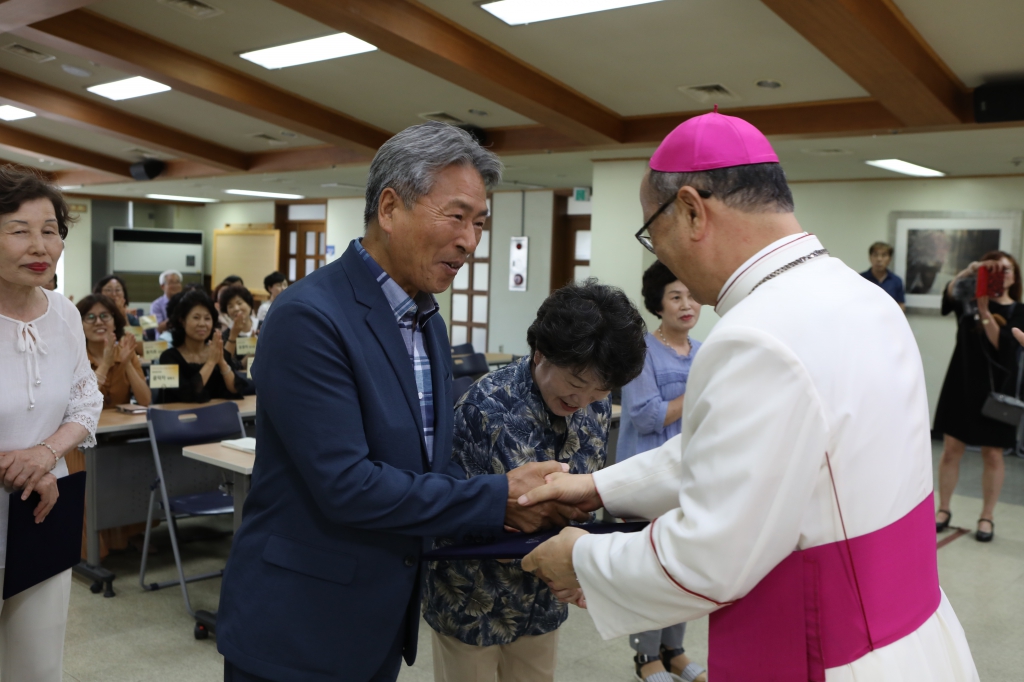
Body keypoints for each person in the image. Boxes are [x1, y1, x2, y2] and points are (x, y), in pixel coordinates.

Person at [520, 110, 978, 681]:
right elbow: (744, 456)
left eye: (652, 235)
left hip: (828, 652)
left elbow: (708, 560)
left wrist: (580, 559)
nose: (659, 257)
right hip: (905, 631)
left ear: (692, 210)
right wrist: (598, 487)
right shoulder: (862, 296)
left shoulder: (755, 335)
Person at [217, 122, 586, 682]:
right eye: (456, 216)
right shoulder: (309, 317)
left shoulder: (426, 319)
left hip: (379, 618)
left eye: (480, 223)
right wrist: (496, 498)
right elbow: (348, 484)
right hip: (299, 625)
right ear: (389, 208)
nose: (470, 241)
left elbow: (421, 467)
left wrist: (522, 501)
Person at [423, 280, 646, 682]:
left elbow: (585, 499)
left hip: (543, 599)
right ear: (541, 352)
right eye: (575, 384)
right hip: (472, 597)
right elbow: (445, 509)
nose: (583, 401)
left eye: (601, 390)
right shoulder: (483, 408)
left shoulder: (593, 409)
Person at [0, 165, 103, 681]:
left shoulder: (63, 313)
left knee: (37, 666)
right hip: (27, 490)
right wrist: (16, 468)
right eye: (19, 230)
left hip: (41, 512)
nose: (40, 246)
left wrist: (46, 454)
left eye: (51, 230)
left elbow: (86, 400)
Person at [617, 260, 705, 682]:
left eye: (692, 296)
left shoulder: (705, 352)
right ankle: (646, 655)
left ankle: (674, 650)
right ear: (658, 304)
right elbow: (647, 415)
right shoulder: (643, 352)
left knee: (684, 565)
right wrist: (700, 392)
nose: (687, 305)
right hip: (650, 477)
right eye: (675, 297)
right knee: (652, 569)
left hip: (692, 477)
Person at [933, 252, 1024, 542]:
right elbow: (947, 299)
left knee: (993, 454)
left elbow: (1004, 348)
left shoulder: (1019, 310)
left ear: (1015, 276)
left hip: (998, 391)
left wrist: (985, 312)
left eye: (1006, 269)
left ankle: (987, 516)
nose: (1001, 274)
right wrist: (969, 271)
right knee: (951, 450)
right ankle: (943, 509)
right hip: (960, 383)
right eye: (994, 269)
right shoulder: (968, 299)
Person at [156, 289, 248, 403]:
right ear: (182, 321)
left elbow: (235, 389)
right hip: (182, 414)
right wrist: (211, 362)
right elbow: (187, 394)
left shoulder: (216, 352)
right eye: (196, 317)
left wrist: (222, 362)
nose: (202, 324)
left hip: (215, 412)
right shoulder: (168, 357)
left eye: (207, 318)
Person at [76, 294, 151, 408]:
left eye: (104, 316)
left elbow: (145, 401)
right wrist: (105, 364)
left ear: (115, 323)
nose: (98, 322)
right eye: (90, 317)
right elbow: (81, 403)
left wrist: (127, 364)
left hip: (120, 420)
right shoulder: (75, 357)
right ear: (79, 325)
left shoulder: (126, 352)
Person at [219, 284, 258, 370]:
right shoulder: (225, 336)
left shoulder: (263, 326)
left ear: (249, 305)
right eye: (230, 306)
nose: (236, 308)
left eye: (239, 303)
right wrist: (253, 349)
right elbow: (229, 367)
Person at [861, 241, 906, 311]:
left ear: (890, 259)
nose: (879, 259)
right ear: (870, 257)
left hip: (889, 317)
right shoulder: (860, 279)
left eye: (884, 255)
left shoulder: (896, 281)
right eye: (875, 255)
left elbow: (901, 305)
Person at [151, 269, 182, 336]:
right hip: (163, 340)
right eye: (171, 282)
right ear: (162, 287)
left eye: (177, 282)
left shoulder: (185, 301)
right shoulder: (156, 304)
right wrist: (178, 316)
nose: (175, 285)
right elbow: (159, 328)